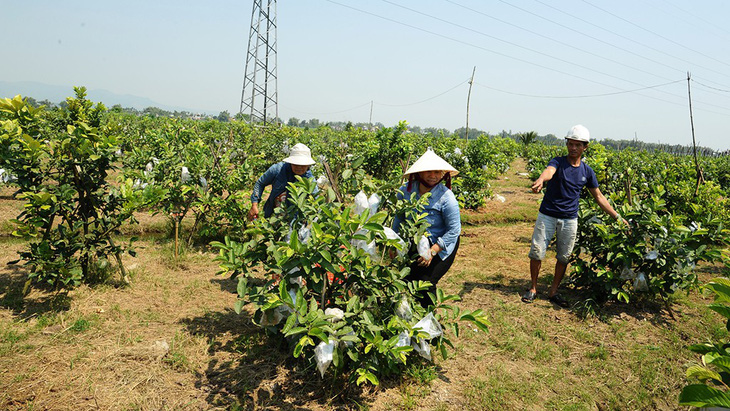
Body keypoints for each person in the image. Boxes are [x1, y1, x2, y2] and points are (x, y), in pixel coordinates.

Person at [521, 125, 627, 308]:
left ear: (585, 147)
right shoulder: (558, 162)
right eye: (570, 144)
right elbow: (549, 171)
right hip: (547, 215)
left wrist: (617, 217)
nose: (573, 148)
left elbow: (599, 197)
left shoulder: (587, 172)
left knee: (563, 257)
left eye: (578, 145)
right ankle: (533, 288)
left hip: (569, 219)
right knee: (537, 252)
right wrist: (540, 179)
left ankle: (553, 291)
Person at [393, 148, 461, 307]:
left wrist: (433, 251)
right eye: (429, 171)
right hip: (416, 240)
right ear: (419, 173)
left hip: (442, 243)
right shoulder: (405, 191)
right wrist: (393, 242)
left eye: (437, 172)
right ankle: (409, 320)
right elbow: (399, 218)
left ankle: (428, 323)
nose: (434, 175)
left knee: (426, 282)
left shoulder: (446, 197)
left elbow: (454, 230)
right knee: (408, 280)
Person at [248, 143, 317, 220]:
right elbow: (260, 183)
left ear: (308, 165)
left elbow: (316, 199)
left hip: (297, 220)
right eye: (296, 164)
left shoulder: (309, 180)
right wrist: (254, 204)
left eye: (303, 165)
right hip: (274, 215)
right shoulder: (278, 170)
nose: (299, 167)